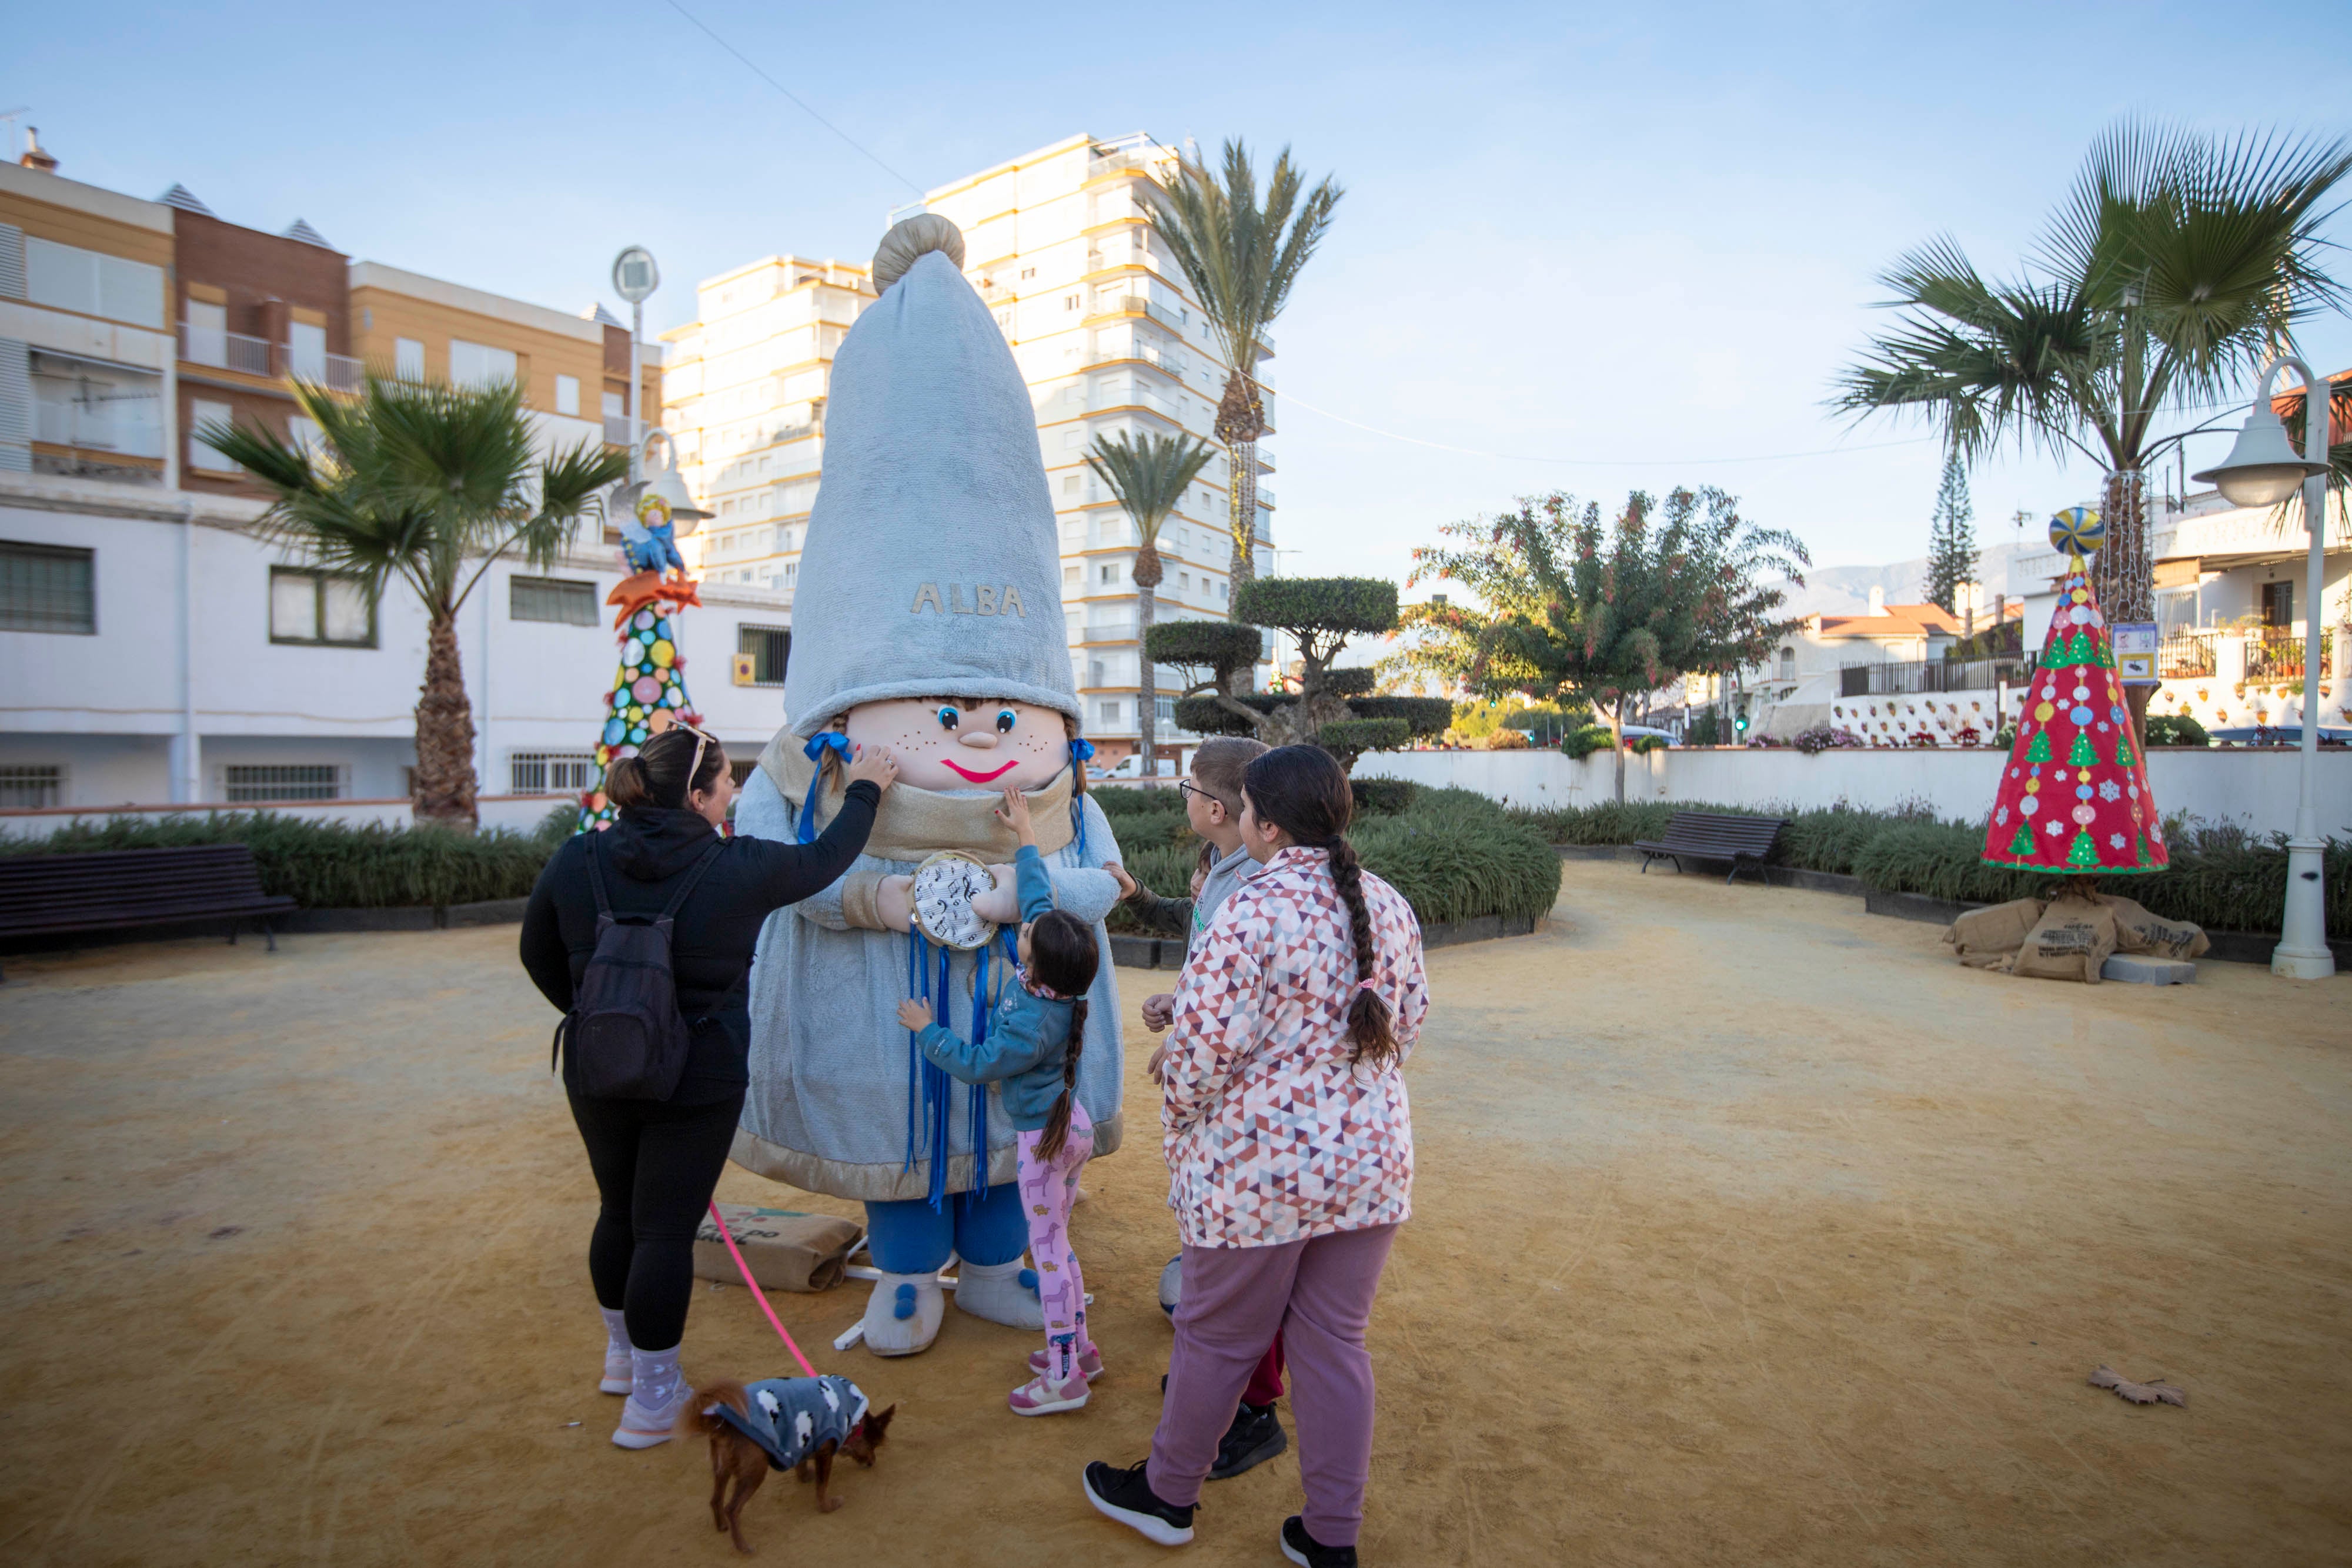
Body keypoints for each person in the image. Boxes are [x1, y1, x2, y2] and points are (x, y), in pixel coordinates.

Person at [1084, 745, 1429, 1567]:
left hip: (1258, 1173)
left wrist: (1184, 1123)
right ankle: (1330, 1534)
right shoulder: (1388, 904)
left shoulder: (1251, 908)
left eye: (1243, 809)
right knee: (1336, 1344)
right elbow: (1404, 1023)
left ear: (1265, 823)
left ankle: (1169, 1494)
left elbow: (1200, 1057)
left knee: (1214, 1337)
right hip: (1369, 1166)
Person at [520, 723, 898, 1447]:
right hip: (699, 1070)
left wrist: (600, 1016)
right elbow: (824, 860)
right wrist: (867, 789)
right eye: (725, 782)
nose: (732, 792)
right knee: (665, 1228)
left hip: (598, 1066)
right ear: (697, 796)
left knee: (619, 1213)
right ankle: (654, 1404)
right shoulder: (736, 866)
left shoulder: (579, 858)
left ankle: (625, 1361)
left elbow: (535, 950)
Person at [1107, 736, 1291, 1480]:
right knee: (1228, 1264)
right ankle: (1221, 1390)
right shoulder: (1224, 866)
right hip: (1234, 1092)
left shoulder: (1259, 885)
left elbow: (1249, 990)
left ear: (1218, 809)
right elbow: (1212, 961)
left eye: (1186, 787)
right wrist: (1181, 1002)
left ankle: (1251, 1409)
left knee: (1245, 1267)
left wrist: (1190, 1042)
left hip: (1244, 1106)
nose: (1180, 797)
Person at [896, 784, 1101, 1415]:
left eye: (1026, 944)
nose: (1023, 934)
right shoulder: (1059, 983)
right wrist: (1025, 836)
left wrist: (924, 1029)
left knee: (1047, 1256)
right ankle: (1082, 1350)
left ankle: (1065, 1373)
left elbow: (978, 1064)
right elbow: (1037, 903)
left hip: (1043, 1143)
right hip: (1073, 1129)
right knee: (1060, 1244)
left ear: (1035, 971)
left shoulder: (1030, 1027)